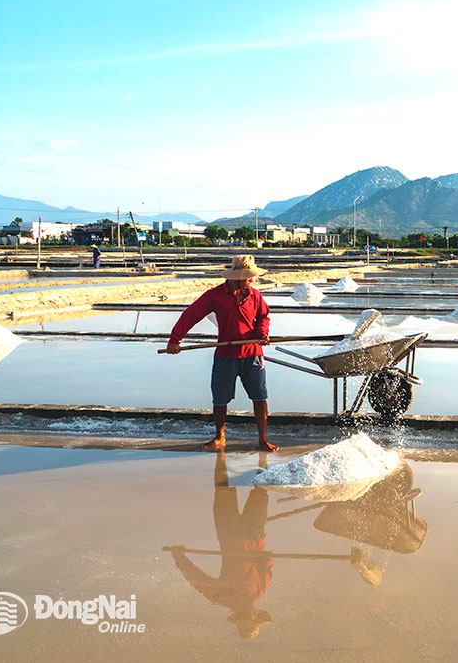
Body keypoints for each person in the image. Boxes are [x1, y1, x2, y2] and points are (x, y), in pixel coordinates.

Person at [166, 254, 278, 451]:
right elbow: (191, 315)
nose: (252, 279)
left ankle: (262, 439)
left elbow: (263, 316)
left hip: (252, 354)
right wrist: (175, 338)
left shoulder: (255, 295)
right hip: (226, 354)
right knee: (220, 398)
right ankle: (220, 436)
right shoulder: (215, 295)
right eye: (248, 276)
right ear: (236, 276)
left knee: (260, 397)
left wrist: (262, 333)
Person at [170, 451, 274, 639]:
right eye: (252, 618)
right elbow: (266, 561)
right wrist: (261, 557)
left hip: (229, 533)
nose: (249, 615)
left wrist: (179, 559)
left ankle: (223, 453)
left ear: (237, 617)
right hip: (255, 533)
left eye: (245, 619)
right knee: (261, 491)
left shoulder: (222, 597)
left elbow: (197, 580)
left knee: (224, 489)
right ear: (256, 615)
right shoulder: (260, 591)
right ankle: (261, 454)